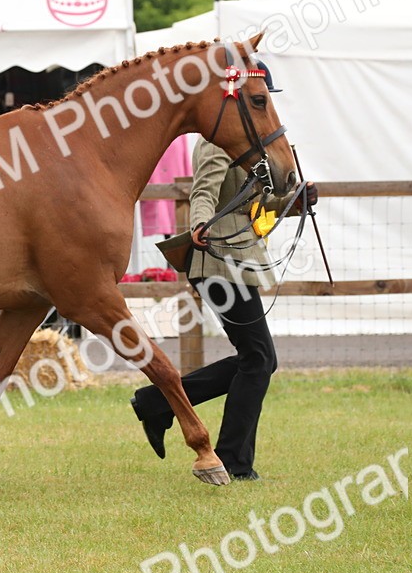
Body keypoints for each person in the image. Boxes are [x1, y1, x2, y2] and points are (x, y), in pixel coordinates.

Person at [130, 72, 316, 481]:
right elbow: (204, 192)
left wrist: (296, 199)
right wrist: (199, 226)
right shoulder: (216, 142)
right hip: (215, 258)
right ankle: (232, 458)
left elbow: (258, 200)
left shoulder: (249, 148)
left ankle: (156, 402)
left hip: (238, 257)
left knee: (258, 359)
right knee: (260, 358)